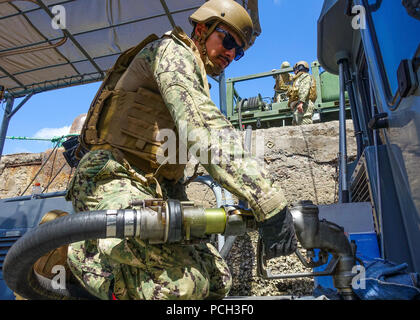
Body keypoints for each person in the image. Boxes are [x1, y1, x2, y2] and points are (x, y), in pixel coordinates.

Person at [66, 0, 297, 300]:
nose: (231, 53)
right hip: (111, 176)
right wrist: (268, 199)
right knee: (180, 288)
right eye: (226, 40)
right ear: (202, 29)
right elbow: (204, 129)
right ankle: (84, 251)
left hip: (155, 188)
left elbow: (173, 161)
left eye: (238, 51)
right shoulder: (173, 53)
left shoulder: (196, 75)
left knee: (217, 280)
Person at [287, 61, 317, 125]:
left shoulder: (305, 76)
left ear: (299, 68)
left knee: (305, 123)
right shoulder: (298, 78)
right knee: (296, 125)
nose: (294, 72)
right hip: (300, 104)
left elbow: (304, 89)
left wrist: (301, 102)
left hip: (305, 104)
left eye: (295, 69)